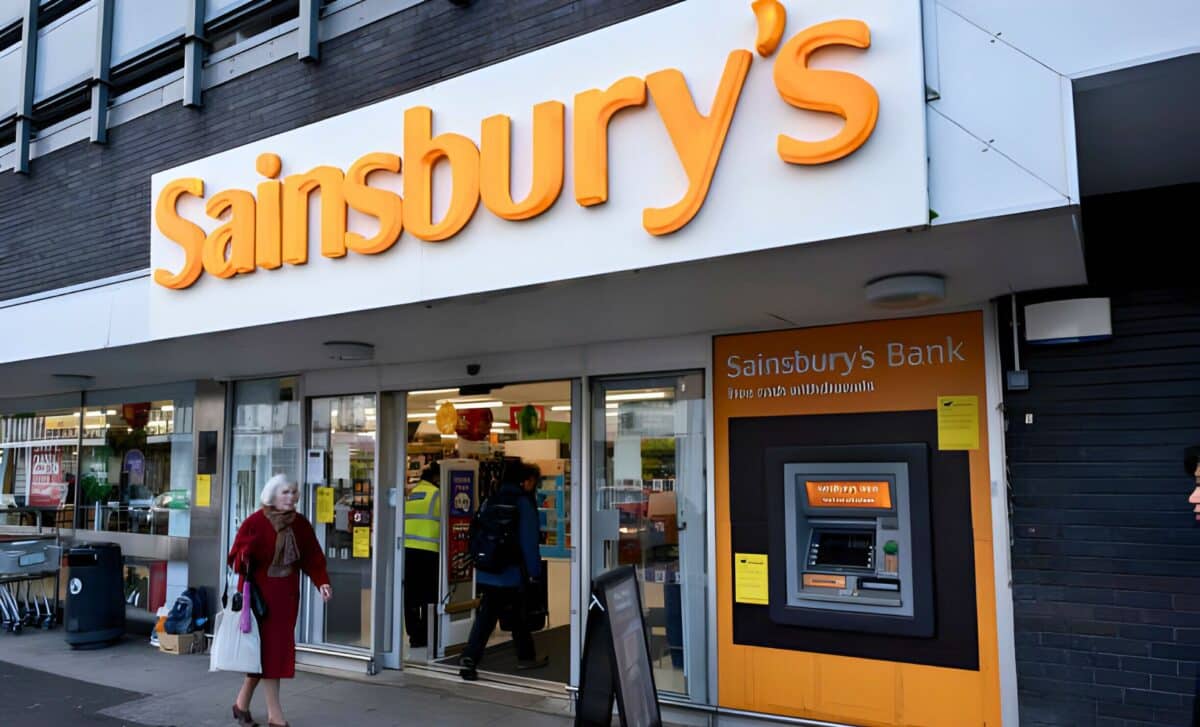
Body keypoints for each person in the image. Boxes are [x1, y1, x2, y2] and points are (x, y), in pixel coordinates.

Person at [227, 474, 332, 727]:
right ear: (272, 495)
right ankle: (276, 718)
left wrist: (322, 582)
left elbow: (313, 557)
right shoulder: (254, 523)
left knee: (264, 654)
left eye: (294, 492)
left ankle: (241, 706)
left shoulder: (301, 525)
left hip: (285, 599)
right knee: (270, 655)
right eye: (285, 492)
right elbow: (235, 561)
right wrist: (246, 552)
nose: (291, 497)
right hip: (259, 600)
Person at [459, 462, 545, 681]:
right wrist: (535, 572)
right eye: (533, 481)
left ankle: (522, 656)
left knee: (505, 614)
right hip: (509, 571)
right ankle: (473, 658)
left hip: (487, 568)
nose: (533, 486)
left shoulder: (491, 499)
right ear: (524, 481)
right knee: (503, 615)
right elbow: (529, 540)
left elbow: (476, 531)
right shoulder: (523, 503)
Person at [404, 464, 441, 649]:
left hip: (408, 550)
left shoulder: (412, 493)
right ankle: (428, 634)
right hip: (429, 551)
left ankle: (414, 635)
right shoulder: (437, 494)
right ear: (436, 478)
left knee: (410, 595)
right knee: (429, 595)